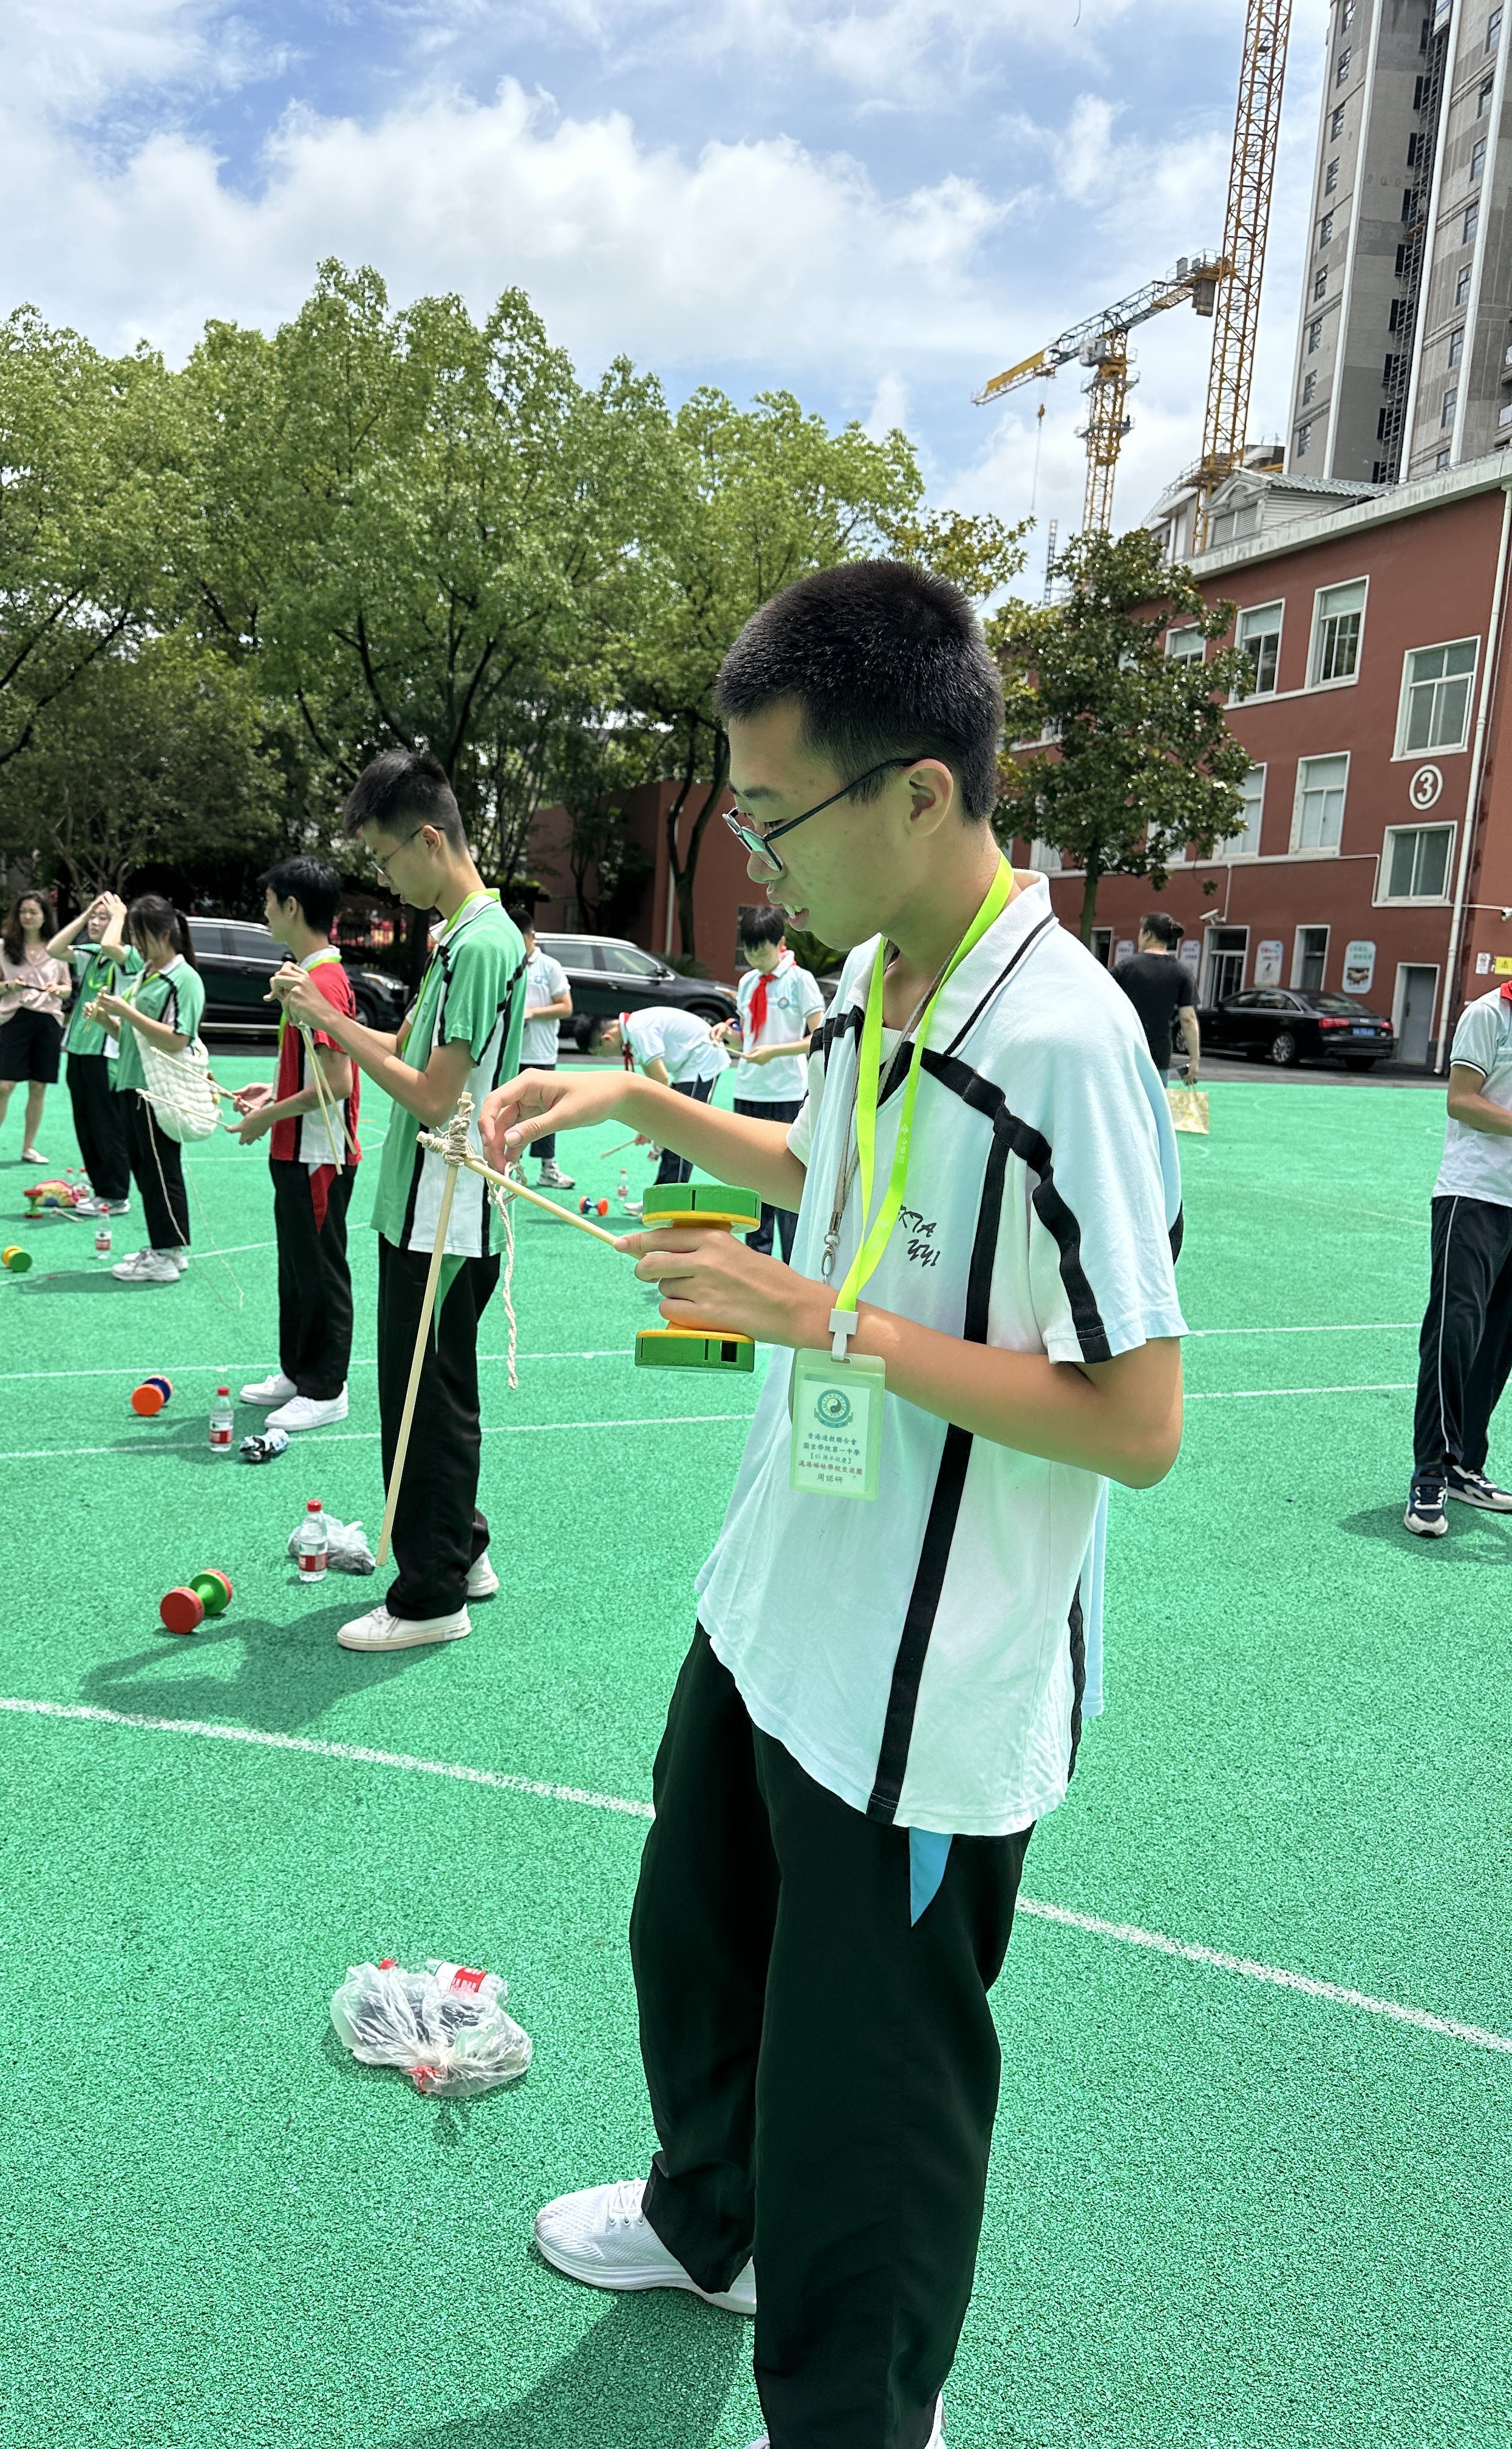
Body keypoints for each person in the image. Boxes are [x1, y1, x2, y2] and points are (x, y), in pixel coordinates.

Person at [482, 559, 1185, 2449]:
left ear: (922, 795)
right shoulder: (878, 977)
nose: (760, 857)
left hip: (924, 1684)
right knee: (695, 1938)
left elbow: (1138, 1422)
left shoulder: (1067, 1046)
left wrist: (826, 1321)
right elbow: (832, 1168)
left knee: (870, 2100)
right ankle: (709, 2224)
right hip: (781, 1596)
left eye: (778, 816)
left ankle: (866, 2414)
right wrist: (646, 1111)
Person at [274, 750, 526, 1655]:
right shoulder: (462, 937)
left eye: (384, 858)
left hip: (444, 1211)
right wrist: (331, 1021)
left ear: (428, 840)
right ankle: (460, 1550)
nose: (384, 880)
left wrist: (326, 1020)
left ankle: (429, 1598)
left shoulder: (481, 943)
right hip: (428, 1206)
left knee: (425, 1407)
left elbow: (431, 1093)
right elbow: (407, 1054)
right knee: (434, 1393)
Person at [230, 856, 361, 1435]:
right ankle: (298, 1371)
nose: (263, 913)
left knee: (321, 1271)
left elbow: (337, 1083)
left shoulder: (322, 982)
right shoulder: (304, 974)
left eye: (269, 903)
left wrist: (269, 1115)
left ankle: (327, 1388)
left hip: (319, 1156)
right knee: (296, 1268)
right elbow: (312, 1072)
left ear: (292, 907)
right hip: (296, 1150)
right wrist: (273, 1093)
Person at [1405, 980, 1512, 1536]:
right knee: (1455, 1333)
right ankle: (1430, 1472)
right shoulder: (1489, 1014)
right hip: (1474, 1196)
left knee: (1498, 1344)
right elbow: (1462, 1101)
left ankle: (1466, 1465)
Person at [89, 895, 205, 1286]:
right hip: (131, 1084)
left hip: (156, 1090)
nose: (135, 944)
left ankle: (166, 1253)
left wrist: (127, 1012)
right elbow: (131, 1036)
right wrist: (107, 1020)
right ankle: (166, 1248)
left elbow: (178, 1039)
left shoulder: (183, 979)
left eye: (140, 935)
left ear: (164, 933)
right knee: (146, 1169)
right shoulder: (149, 973)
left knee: (160, 1170)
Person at [716, 907, 825, 1260]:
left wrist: (775, 1052)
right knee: (752, 1185)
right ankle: (757, 1264)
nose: (754, 960)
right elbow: (748, 1036)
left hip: (787, 1093)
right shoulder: (747, 982)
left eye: (761, 952)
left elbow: (820, 1037)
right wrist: (727, 1035)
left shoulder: (800, 981)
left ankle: (795, 1267)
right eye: (748, 952)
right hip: (747, 1090)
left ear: (780, 944)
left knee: (789, 1187)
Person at [46, 891, 136, 1215]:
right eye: (94, 918)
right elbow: (54, 949)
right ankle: (101, 1192)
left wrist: (118, 916)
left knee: (107, 1124)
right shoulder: (92, 955)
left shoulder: (129, 956)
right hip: (78, 1048)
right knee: (85, 1124)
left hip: (107, 1051)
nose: (96, 924)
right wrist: (85, 915)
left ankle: (116, 1194)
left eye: (103, 918)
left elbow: (113, 946)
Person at [0, 893, 69, 1166]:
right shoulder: (3, 946)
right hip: (16, 1018)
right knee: (5, 1085)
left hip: (48, 1020)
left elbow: (68, 988)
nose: (28, 917)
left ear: (45, 916)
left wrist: (58, 990)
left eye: (34, 912)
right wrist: (10, 986)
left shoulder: (57, 948)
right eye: (23, 912)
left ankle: (28, 1148)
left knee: (39, 1086)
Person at [585, 1006, 729, 1200]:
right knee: (672, 1133)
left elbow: (661, 1080)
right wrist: (651, 1127)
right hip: (688, 1066)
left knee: (683, 1135)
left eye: (600, 1053)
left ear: (606, 1039)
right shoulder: (633, 1032)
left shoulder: (638, 1031)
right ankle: (660, 1199)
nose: (606, 1057)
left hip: (702, 1063)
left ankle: (672, 1202)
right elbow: (654, 1083)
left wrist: (651, 1126)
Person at [510, 915, 575, 1190]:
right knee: (510, 1109)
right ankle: (508, 1166)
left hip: (541, 1054)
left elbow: (566, 1007)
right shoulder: (507, 962)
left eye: (520, 939)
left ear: (532, 936)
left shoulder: (550, 967)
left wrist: (532, 1014)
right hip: (511, 1053)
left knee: (546, 1112)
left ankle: (548, 1168)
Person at [1112, 911, 1200, 1083]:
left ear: (1148, 934)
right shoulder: (1182, 972)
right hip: (1159, 1052)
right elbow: (1188, 1019)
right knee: (1155, 1099)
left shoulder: (1126, 967)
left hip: (1125, 1049)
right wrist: (1194, 1059)